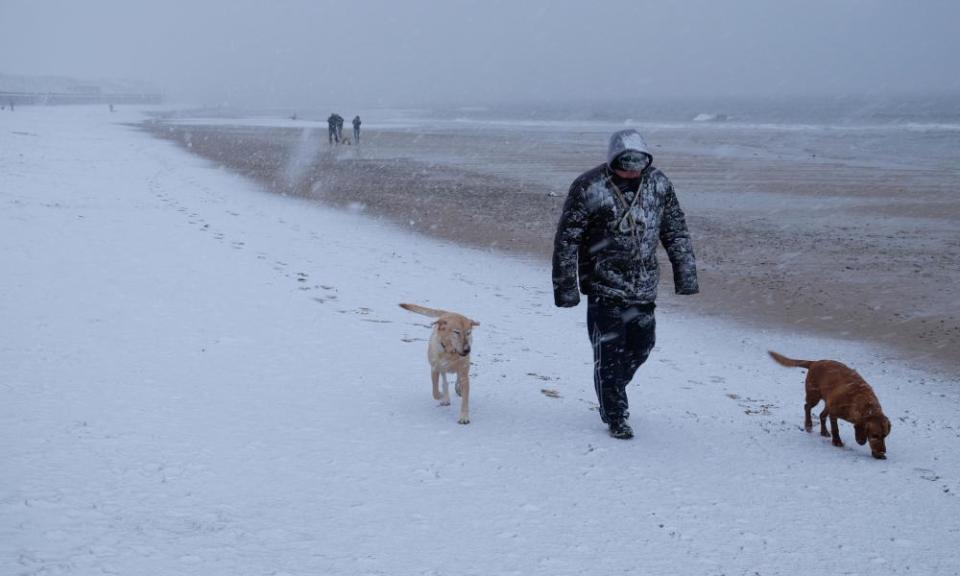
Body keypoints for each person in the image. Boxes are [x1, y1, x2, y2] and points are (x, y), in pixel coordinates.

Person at [552, 129, 699, 439]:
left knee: (642, 346)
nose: (632, 170)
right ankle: (616, 414)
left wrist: (686, 273)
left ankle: (612, 387)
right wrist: (566, 289)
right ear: (613, 159)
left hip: (644, 286)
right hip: (604, 286)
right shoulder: (588, 186)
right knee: (609, 354)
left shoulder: (658, 184)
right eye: (626, 163)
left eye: (638, 164)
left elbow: (675, 230)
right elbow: (568, 239)